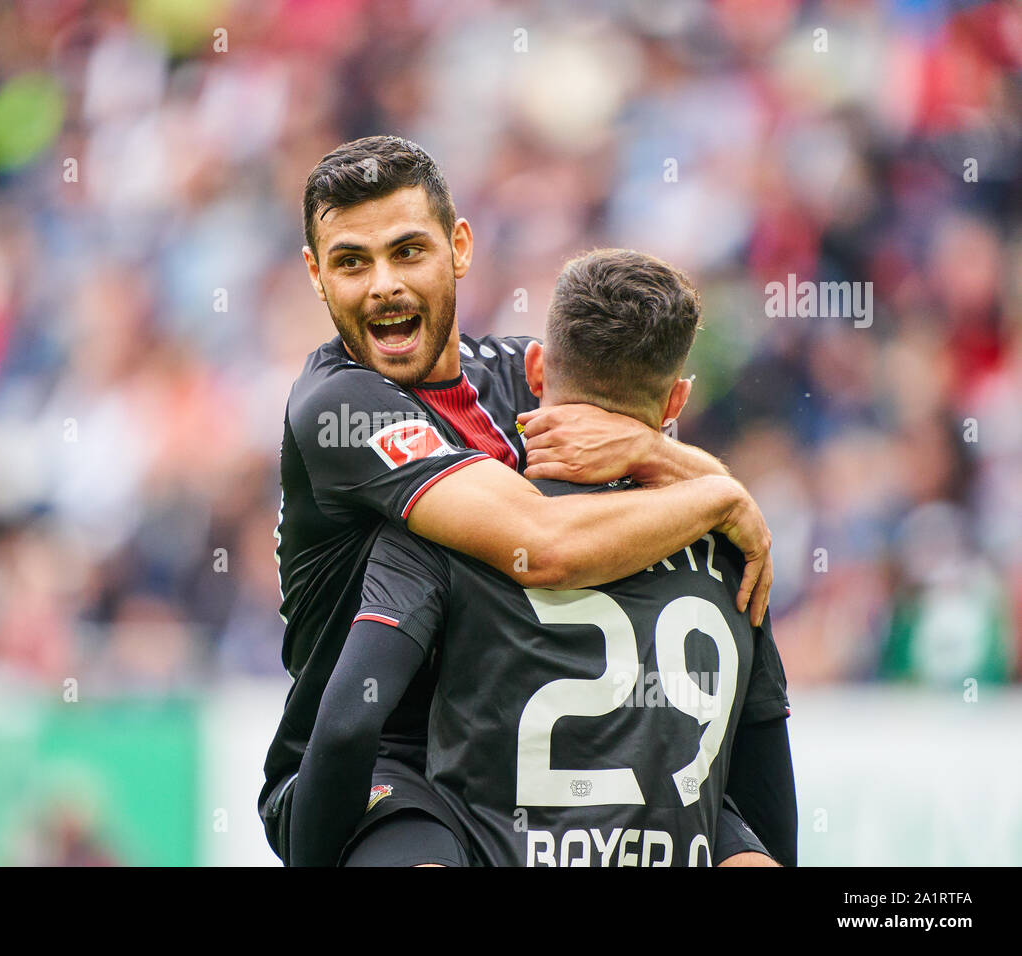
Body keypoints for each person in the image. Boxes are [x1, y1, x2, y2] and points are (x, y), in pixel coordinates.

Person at [262, 136, 775, 866]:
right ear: (316, 275)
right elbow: (547, 544)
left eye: (408, 251)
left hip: (524, 741)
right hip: (379, 761)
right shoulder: (338, 407)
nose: (382, 285)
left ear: (459, 247)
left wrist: (662, 454)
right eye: (352, 262)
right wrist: (722, 497)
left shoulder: (520, 372)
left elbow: (644, 477)